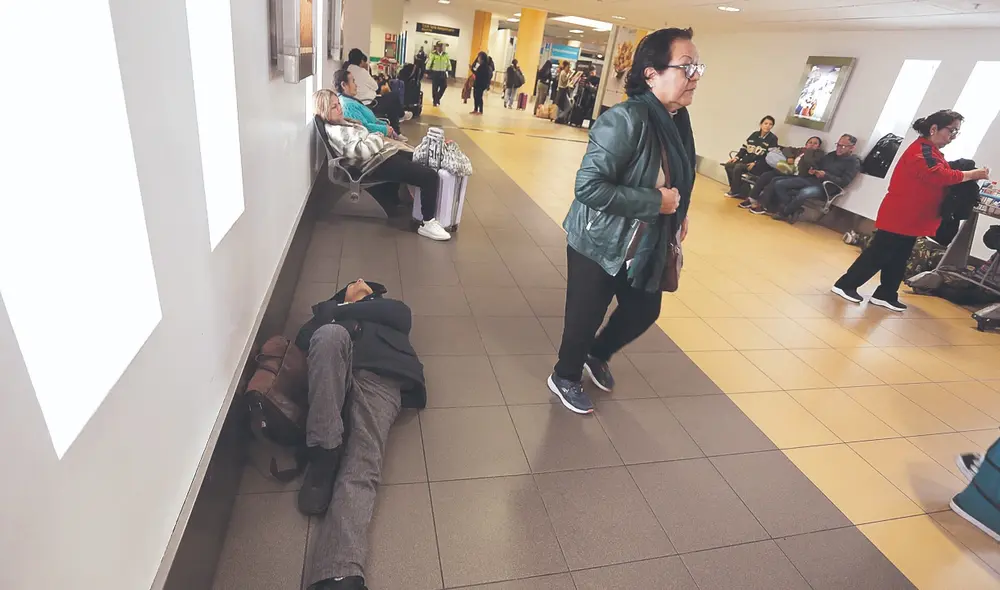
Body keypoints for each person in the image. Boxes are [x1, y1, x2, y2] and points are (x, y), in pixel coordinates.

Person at [549, 28, 701, 414]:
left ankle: (596, 354)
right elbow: (589, 188)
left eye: (698, 67)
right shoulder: (625, 119)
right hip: (599, 238)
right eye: (686, 67)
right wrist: (656, 202)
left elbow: (678, 174)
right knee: (585, 315)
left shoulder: (677, 119)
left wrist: (679, 213)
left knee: (644, 310)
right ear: (651, 73)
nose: (695, 76)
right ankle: (564, 376)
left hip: (647, 238)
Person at [295, 279, 427, 590]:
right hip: (331, 384)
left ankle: (338, 574)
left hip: (381, 378)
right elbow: (304, 338)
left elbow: (401, 318)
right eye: (353, 281)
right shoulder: (327, 322)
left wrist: (338, 310)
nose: (358, 281)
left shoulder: (392, 309)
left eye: (364, 283)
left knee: (363, 462)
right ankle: (325, 453)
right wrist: (337, 314)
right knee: (328, 335)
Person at [832, 110, 990, 311]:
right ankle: (845, 285)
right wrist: (972, 174)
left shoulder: (933, 152)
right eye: (952, 130)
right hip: (901, 214)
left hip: (913, 217)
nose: (953, 136)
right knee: (878, 253)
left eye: (956, 132)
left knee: (899, 256)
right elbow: (939, 175)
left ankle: (886, 294)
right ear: (933, 129)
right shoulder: (921, 150)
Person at [315, 88, 451, 241]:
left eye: (338, 104)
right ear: (325, 110)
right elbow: (362, 151)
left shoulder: (342, 124)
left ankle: (425, 205)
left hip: (382, 155)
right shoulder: (337, 132)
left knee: (420, 158)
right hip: (375, 164)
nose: (339, 108)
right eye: (334, 107)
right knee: (428, 175)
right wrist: (377, 137)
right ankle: (428, 222)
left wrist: (374, 139)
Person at [768, 134, 862, 221]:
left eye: (843, 146)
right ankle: (794, 209)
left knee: (804, 192)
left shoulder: (854, 162)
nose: (839, 148)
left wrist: (826, 175)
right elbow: (819, 165)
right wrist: (813, 170)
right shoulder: (831, 155)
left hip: (827, 188)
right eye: (838, 145)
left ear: (852, 148)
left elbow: (844, 182)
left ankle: (784, 213)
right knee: (779, 183)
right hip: (813, 180)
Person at [744, 136, 823, 213]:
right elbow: (786, 149)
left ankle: (764, 205)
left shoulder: (818, 154)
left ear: (819, 147)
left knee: (775, 181)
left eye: (815, 143)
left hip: (799, 176)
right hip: (788, 171)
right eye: (810, 142)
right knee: (767, 175)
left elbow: (810, 161)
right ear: (806, 144)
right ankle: (752, 198)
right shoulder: (800, 150)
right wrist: (790, 157)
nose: (812, 144)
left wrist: (809, 151)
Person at [344, 50, 409, 133]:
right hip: (369, 104)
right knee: (393, 97)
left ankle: (399, 122)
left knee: (391, 100)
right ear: (361, 61)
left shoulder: (348, 70)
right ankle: (398, 124)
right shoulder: (362, 71)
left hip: (364, 102)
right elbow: (375, 86)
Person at [334, 69, 408, 143]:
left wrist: (385, 126)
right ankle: (402, 116)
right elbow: (363, 128)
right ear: (344, 85)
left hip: (378, 133)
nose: (356, 85)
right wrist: (385, 129)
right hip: (375, 138)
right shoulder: (348, 106)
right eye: (353, 81)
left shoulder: (348, 100)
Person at [723, 116, 778, 198]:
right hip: (746, 160)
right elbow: (744, 148)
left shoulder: (773, 139)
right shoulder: (754, 135)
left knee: (738, 167)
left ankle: (734, 191)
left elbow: (770, 156)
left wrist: (755, 163)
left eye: (770, 124)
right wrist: (737, 157)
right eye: (765, 123)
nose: (767, 126)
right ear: (761, 124)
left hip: (759, 165)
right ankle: (738, 189)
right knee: (728, 165)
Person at [428, 42, 451, 107]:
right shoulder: (433, 54)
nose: (440, 48)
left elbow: (448, 63)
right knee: (435, 88)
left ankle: (437, 98)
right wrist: (427, 71)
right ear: (437, 47)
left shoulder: (446, 55)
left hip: (443, 73)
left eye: (441, 46)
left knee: (444, 86)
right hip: (435, 72)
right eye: (439, 46)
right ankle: (435, 101)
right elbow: (429, 63)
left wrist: (449, 70)